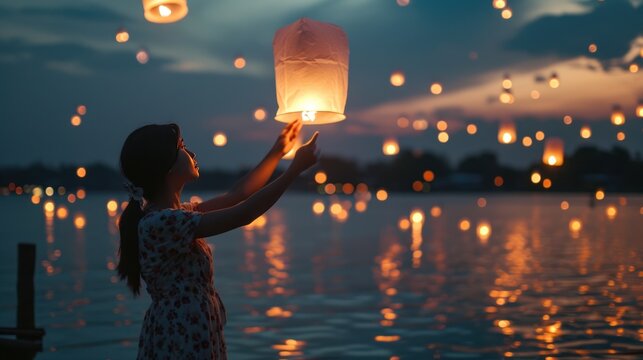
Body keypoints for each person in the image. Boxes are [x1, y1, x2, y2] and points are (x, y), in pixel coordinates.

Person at [116, 119, 318, 359]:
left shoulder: (178, 216)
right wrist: (293, 170)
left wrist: (277, 151)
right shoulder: (161, 224)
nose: (191, 153)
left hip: (193, 328)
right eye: (182, 147)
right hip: (180, 334)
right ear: (165, 166)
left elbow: (239, 194)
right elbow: (244, 213)